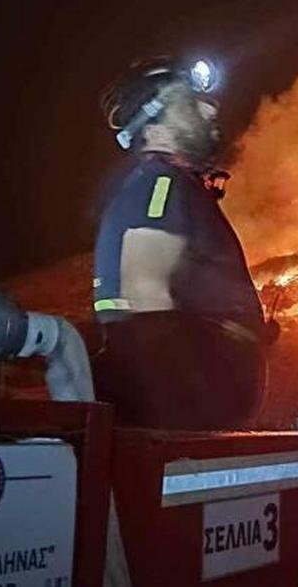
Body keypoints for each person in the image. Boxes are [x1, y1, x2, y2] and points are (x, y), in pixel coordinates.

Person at [92, 57, 274, 429]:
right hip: (185, 422)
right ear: (154, 125)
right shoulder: (159, 184)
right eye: (192, 102)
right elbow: (144, 292)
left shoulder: (165, 185)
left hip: (197, 413)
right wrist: (178, 420)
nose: (210, 109)